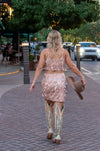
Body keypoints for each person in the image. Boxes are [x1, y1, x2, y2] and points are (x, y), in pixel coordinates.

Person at [30, 30, 86, 144]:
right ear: (59, 39)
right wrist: (81, 76)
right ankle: (58, 135)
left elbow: (39, 67)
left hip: (48, 81)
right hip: (59, 80)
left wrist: (34, 82)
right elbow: (71, 66)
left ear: (49, 39)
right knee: (59, 107)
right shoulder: (64, 52)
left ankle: (50, 129)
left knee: (48, 104)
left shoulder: (44, 52)